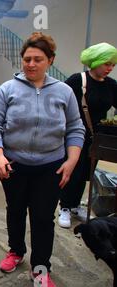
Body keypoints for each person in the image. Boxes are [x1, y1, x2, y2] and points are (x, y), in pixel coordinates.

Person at [0, 32, 85, 287]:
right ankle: (16, 251)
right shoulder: (8, 89)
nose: (30, 64)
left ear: (50, 60)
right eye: (27, 59)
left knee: (43, 218)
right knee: (15, 210)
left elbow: (76, 128)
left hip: (50, 167)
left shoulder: (64, 92)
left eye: (37, 59)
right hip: (14, 165)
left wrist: (72, 161)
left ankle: (41, 268)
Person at [57, 42, 117, 228]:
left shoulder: (112, 85)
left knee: (86, 172)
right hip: (75, 135)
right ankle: (64, 207)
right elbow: (60, 103)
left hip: (97, 137)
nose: (110, 68)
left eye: (113, 64)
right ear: (96, 62)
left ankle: (75, 205)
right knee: (72, 170)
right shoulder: (78, 80)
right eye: (107, 63)